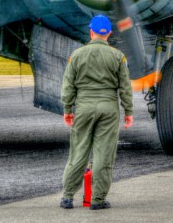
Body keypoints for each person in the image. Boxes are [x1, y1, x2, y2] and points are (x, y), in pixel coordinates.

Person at [60, 15, 134, 211]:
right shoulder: (118, 56)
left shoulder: (76, 55)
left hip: (84, 107)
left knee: (78, 152)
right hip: (109, 107)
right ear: (109, 33)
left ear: (90, 31)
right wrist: (128, 111)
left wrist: (67, 109)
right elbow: (125, 87)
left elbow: (68, 86)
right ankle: (97, 199)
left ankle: (67, 197)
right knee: (104, 154)